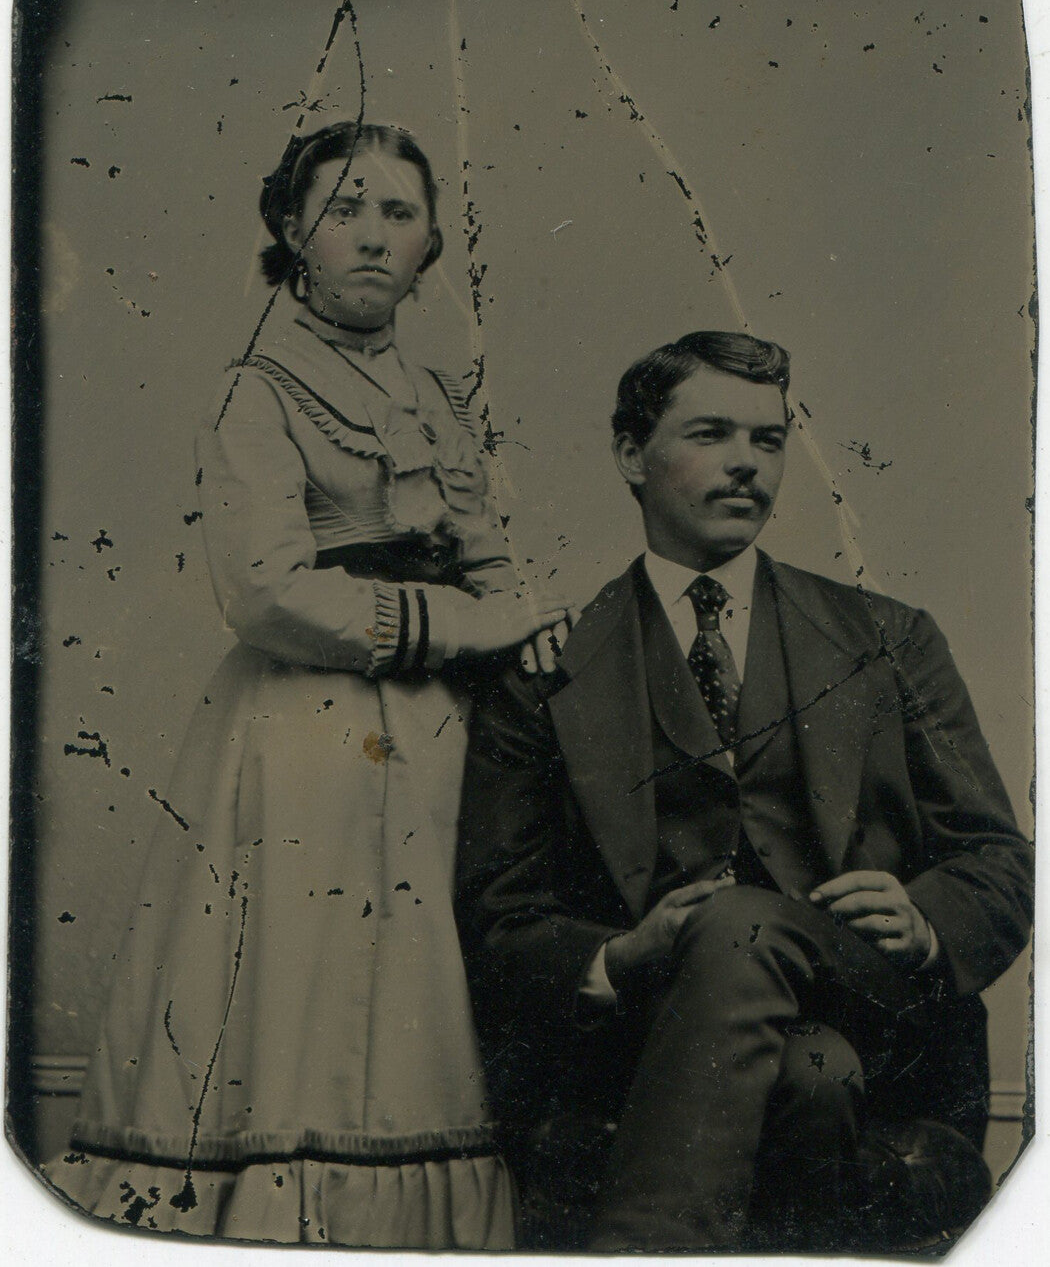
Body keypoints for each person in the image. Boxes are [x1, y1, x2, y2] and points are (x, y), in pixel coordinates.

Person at [46, 122, 570, 1248]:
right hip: (306, 726)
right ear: (293, 233)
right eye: (345, 210)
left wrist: (527, 622)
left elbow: (487, 548)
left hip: (444, 730)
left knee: (426, 969)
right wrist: (475, 622)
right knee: (307, 981)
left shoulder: (435, 395)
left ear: (432, 241)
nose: (373, 237)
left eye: (398, 213)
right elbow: (270, 591)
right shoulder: (259, 391)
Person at [456, 330, 1033, 1252]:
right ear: (629, 455)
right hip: (656, 1047)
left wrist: (924, 918)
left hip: (873, 1007)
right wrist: (624, 950)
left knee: (738, 923)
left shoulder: (888, 638)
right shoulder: (549, 671)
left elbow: (1001, 862)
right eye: (712, 434)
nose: (746, 465)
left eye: (768, 440)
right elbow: (500, 918)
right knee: (808, 1075)